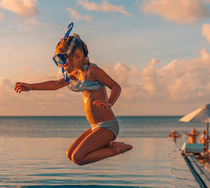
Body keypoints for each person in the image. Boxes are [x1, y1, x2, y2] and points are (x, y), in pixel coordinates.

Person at [15, 27, 132, 166]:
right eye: (58, 60)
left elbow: (116, 86)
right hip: (95, 126)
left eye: (63, 59)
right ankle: (109, 145)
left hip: (108, 126)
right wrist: (31, 87)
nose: (61, 65)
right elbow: (55, 84)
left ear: (77, 56)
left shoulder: (92, 71)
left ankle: (114, 149)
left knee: (78, 157)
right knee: (70, 154)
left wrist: (110, 102)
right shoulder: (76, 74)